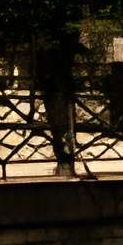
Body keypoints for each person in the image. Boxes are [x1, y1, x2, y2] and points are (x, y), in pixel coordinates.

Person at [32, 38, 82, 173]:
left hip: (56, 90)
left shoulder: (47, 50)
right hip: (58, 89)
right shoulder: (56, 51)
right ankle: (65, 162)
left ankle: (65, 162)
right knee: (62, 126)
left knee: (60, 126)